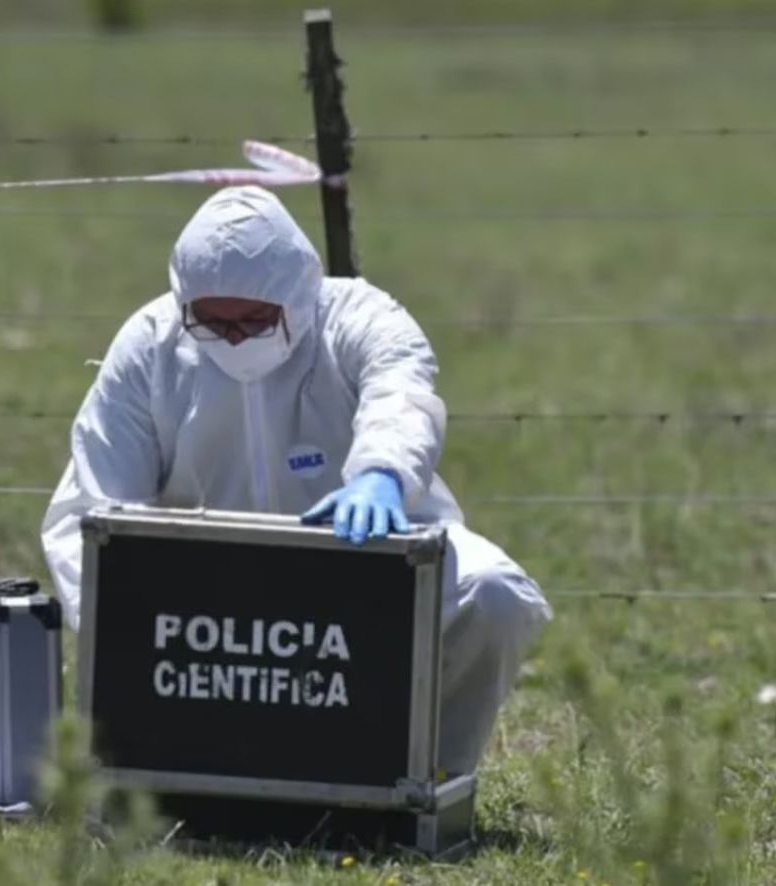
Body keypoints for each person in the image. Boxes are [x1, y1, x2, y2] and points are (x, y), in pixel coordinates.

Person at [39, 185, 552, 775]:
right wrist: (139, 610)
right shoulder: (150, 345)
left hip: (368, 558)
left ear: (297, 294)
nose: (234, 339)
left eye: (255, 320)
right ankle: (179, 773)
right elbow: (97, 506)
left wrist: (382, 472)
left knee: (494, 595)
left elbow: (401, 391)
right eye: (212, 321)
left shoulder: (359, 316)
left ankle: (425, 778)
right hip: (205, 588)